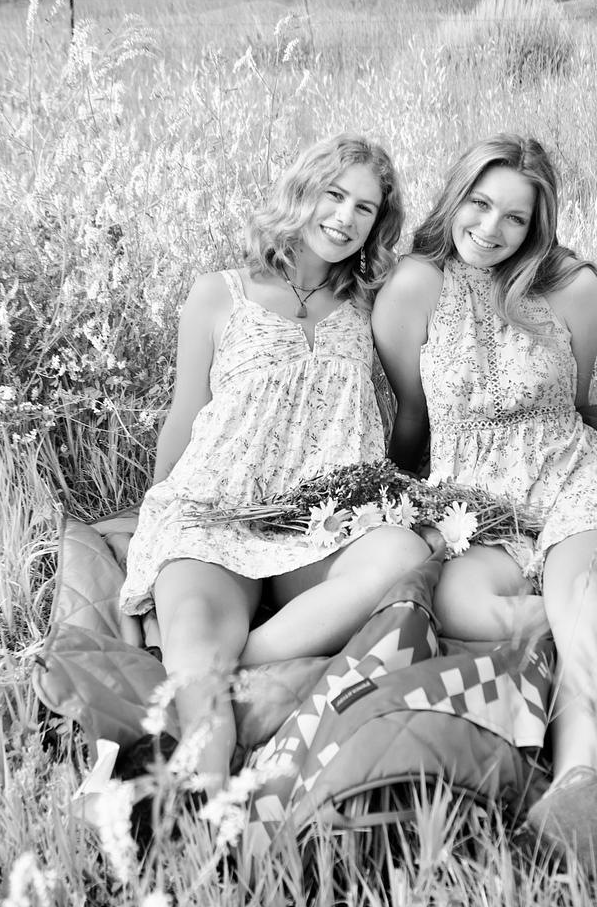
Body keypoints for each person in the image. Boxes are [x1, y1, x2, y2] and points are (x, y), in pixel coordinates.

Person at [371, 134, 597, 862]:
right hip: (476, 507)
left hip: (571, 481)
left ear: (538, 225)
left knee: (585, 592)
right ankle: (592, 639)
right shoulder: (415, 286)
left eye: (515, 216)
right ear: (455, 197)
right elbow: (412, 417)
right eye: (479, 203)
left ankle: (578, 789)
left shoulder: (574, 290)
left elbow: (575, 403)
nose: (491, 228)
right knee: (460, 606)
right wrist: (390, 507)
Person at [120, 134, 430, 792]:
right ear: (301, 191)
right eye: (334, 195)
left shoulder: (373, 305)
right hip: (216, 507)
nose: (344, 217)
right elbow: (185, 414)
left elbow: (413, 399)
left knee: (403, 555)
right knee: (197, 626)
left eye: (365, 208)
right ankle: (206, 800)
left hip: (319, 521)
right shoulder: (219, 294)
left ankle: (233, 661)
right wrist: (154, 521)